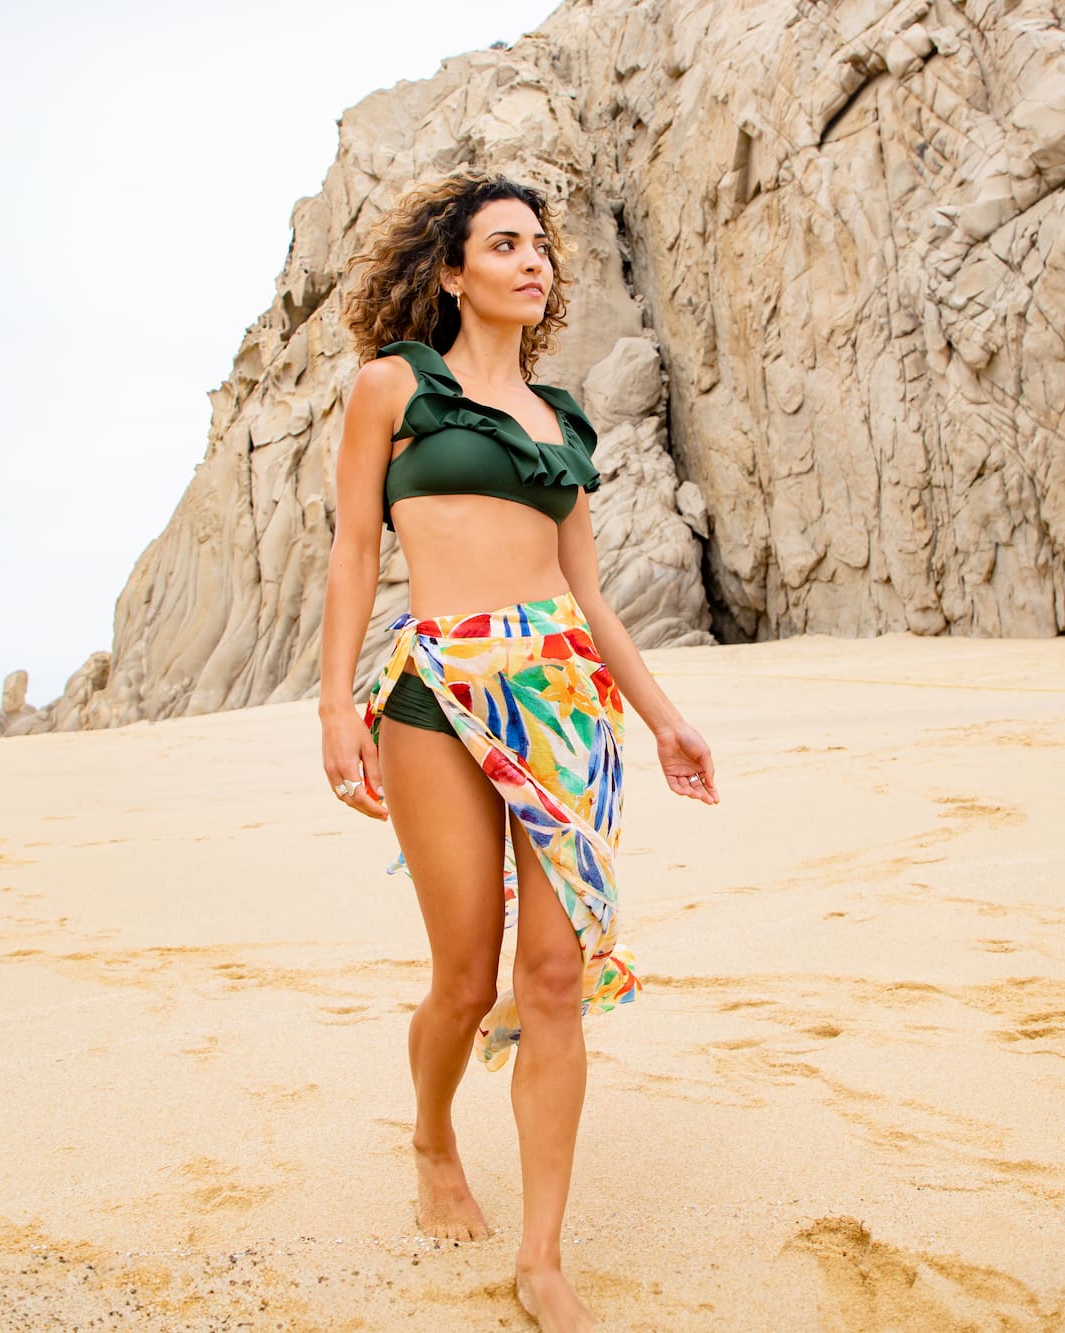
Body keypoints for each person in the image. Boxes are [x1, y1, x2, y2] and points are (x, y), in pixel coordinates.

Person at [316, 169, 720, 1332]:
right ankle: (434, 1137)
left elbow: (586, 593)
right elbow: (352, 550)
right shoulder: (393, 387)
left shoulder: (567, 419)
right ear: (453, 271)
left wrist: (662, 716)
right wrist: (335, 704)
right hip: (435, 689)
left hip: (565, 701)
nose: (531, 260)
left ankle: (541, 1258)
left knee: (555, 975)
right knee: (464, 972)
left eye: (539, 245)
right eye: (503, 244)